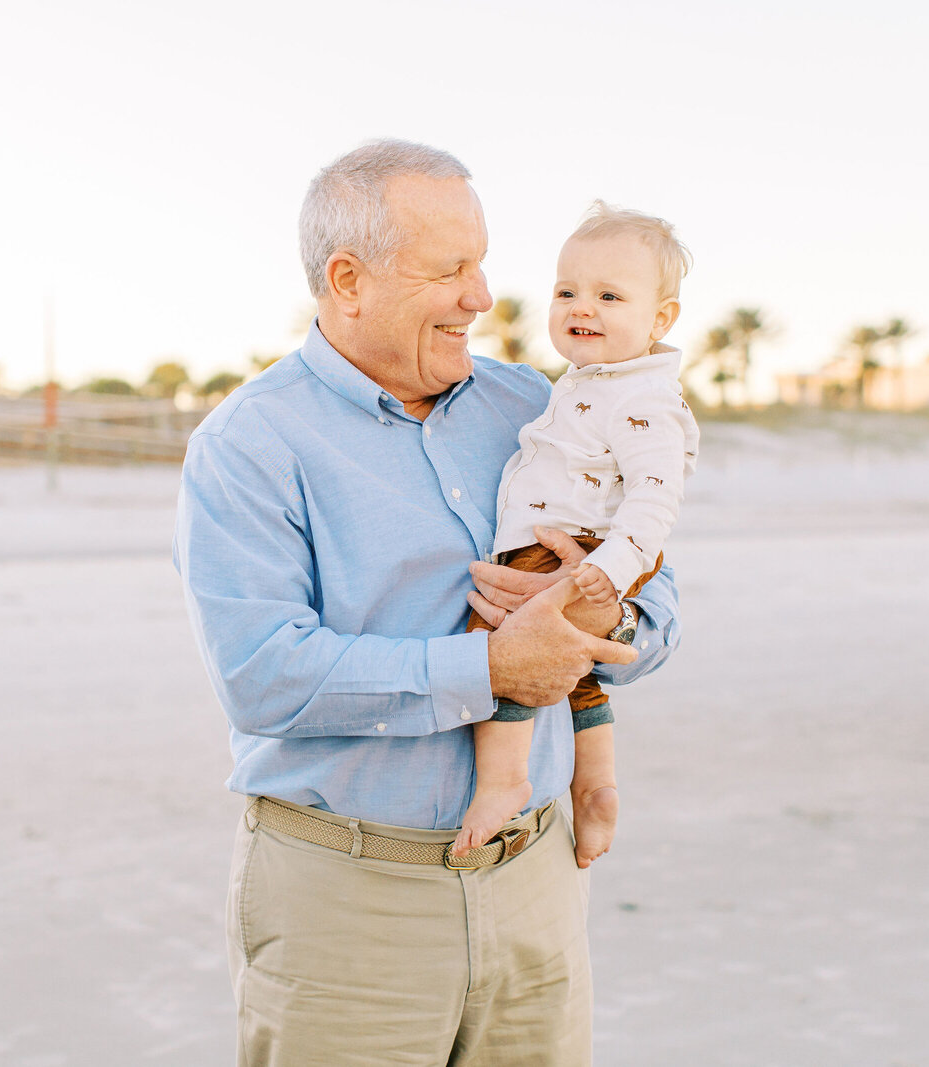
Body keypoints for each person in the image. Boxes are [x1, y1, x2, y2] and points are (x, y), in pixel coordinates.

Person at [174, 139, 684, 1066]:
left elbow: (661, 611)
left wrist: (597, 618)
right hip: (348, 904)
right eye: (451, 269)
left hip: (537, 882)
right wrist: (494, 667)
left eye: (482, 263)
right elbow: (262, 676)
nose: (482, 297)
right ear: (348, 280)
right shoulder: (249, 444)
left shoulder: (535, 403)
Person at [453, 203, 700, 867]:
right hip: (585, 548)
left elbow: (656, 496)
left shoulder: (641, 398)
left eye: (609, 295)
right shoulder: (591, 382)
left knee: (507, 648)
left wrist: (613, 572)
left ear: (660, 319)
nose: (580, 306)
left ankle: (505, 780)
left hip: (584, 549)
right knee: (573, 673)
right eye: (567, 291)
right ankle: (594, 786)